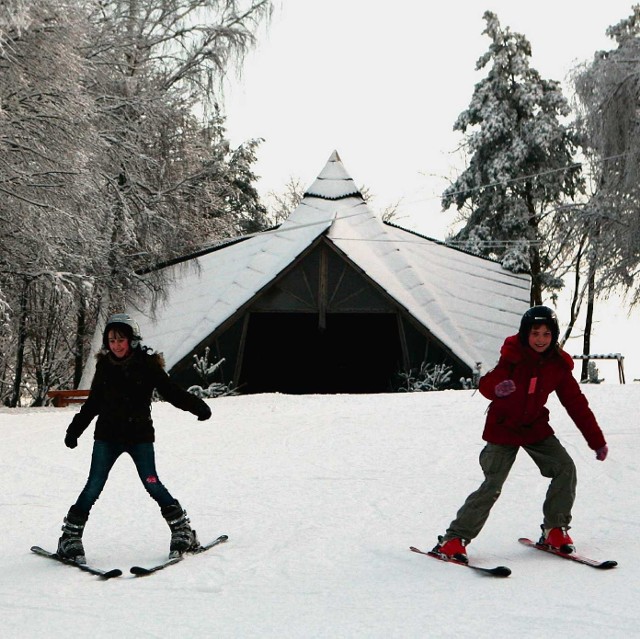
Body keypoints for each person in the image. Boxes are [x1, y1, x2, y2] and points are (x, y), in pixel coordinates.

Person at [433, 305, 608, 563]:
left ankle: (555, 530)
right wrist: (498, 389)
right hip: (503, 427)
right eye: (535, 333)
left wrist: (597, 441)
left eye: (546, 334)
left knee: (565, 468)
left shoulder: (557, 365)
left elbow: (577, 405)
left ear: (554, 336)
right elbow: (487, 383)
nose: (540, 339)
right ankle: (454, 539)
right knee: (492, 485)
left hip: (535, 427)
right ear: (526, 333)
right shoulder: (513, 356)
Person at [57, 313, 212, 564]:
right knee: (93, 485)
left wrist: (198, 407)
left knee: (152, 483)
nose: (116, 345)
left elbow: (171, 392)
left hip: (139, 437)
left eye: (121, 340)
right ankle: (69, 538)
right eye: (111, 340)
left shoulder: (147, 364)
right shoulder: (104, 365)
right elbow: (94, 402)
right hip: (107, 437)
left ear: (132, 340)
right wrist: (74, 430)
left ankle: (183, 531)